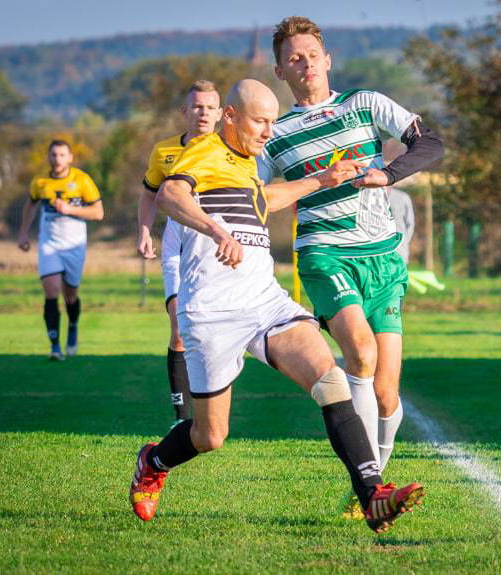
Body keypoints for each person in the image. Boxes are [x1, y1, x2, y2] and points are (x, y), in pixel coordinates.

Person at [128, 79, 425, 533]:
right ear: (230, 116)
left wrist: (319, 181)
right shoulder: (205, 152)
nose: (269, 131)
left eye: (272, 121)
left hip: (263, 300)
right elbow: (171, 195)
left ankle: (373, 495)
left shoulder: (248, 164)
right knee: (210, 436)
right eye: (260, 121)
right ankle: (154, 460)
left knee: (330, 378)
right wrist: (216, 232)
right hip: (211, 310)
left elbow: (263, 200)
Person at [258, 16, 444, 517]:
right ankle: (373, 489)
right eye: (294, 58)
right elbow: (263, 199)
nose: (306, 63)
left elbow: (430, 143)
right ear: (280, 70)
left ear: (328, 59)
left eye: (312, 54)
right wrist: (319, 180)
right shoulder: (275, 135)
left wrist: (386, 174)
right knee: (359, 355)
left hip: (383, 257)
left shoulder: (363, 104)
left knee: (386, 394)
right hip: (324, 252)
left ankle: (366, 488)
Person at [137, 80, 223, 426]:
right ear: (185, 112)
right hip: (178, 243)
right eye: (197, 107)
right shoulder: (165, 151)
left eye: (210, 107)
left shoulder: (231, 149)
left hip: (217, 246)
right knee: (178, 328)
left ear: (221, 113)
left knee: (213, 331)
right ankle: (181, 417)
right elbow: (149, 194)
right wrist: (144, 229)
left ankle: (212, 406)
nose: (203, 113)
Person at [17, 140, 104, 360]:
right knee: (51, 289)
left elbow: (98, 212)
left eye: (62, 155)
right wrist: (24, 233)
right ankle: (55, 347)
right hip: (49, 244)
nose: (57, 159)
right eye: (54, 155)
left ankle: (73, 324)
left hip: (74, 245)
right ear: (48, 157)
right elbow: (30, 204)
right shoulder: (40, 182)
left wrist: (70, 209)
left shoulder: (82, 180)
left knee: (70, 295)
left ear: (70, 157)